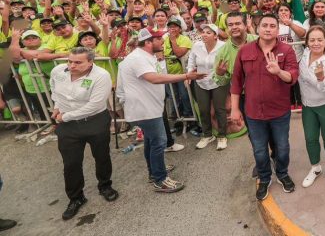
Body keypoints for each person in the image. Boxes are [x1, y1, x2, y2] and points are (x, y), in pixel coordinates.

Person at [116, 28, 203, 193]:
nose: (164, 41)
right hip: (144, 109)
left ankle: (155, 170)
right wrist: (185, 76)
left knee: (151, 141)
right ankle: (160, 179)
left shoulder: (146, 56)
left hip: (150, 107)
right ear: (148, 42)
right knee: (159, 142)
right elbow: (154, 78)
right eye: (159, 39)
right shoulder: (137, 58)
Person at [230, 13, 300, 200]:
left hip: (279, 112)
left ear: (278, 29)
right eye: (265, 25)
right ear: (257, 27)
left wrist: (279, 71)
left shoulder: (286, 50)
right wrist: (235, 109)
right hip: (253, 113)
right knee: (259, 149)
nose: (268, 29)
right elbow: (236, 81)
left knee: (282, 147)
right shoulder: (244, 51)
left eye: (272, 26)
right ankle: (264, 177)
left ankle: (282, 174)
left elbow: (293, 76)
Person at [50, 47, 118, 220]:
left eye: (78, 62)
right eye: (70, 61)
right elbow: (54, 90)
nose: (72, 65)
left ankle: (105, 186)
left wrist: (66, 116)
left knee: (101, 156)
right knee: (70, 163)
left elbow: (94, 105)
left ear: (90, 62)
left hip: (94, 122)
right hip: (67, 126)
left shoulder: (101, 76)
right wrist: (57, 106)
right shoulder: (58, 71)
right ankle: (76, 198)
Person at [298, 25, 325, 188]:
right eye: (312, 40)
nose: (316, 43)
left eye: (319, 40)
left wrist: (321, 78)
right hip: (308, 103)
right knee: (310, 137)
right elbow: (301, 75)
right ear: (307, 42)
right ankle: (315, 168)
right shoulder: (306, 53)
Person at [186, 23, 228, 150]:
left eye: (208, 33)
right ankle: (207, 135)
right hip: (200, 81)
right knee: (203, 109)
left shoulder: (223, 46)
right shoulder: (196, 46)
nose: (204, 34)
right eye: (203, 32)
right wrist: (189, 73)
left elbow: (227, 64)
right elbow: (191, 61)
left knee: (219, 109)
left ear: (216, 36)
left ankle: (222, 136)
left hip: (218, 81)